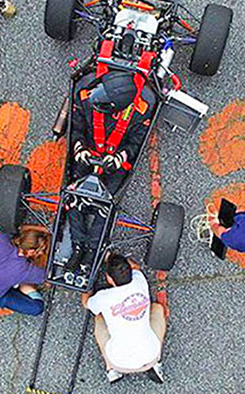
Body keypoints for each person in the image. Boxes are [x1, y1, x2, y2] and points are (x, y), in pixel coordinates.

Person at [63, 70, 155, 274]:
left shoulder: (142, 110)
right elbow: (76, 127)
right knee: (73, 195)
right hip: (87, 154)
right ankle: (78, 245)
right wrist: (79, 147)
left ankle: (92, 251)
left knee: (106, 204)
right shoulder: (86, 95)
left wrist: (120, 157)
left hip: (115, 162)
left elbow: (136, 143)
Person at [81, 252, 166, 384]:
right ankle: (157, 363)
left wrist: (86, 285)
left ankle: (111, 369)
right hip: (151, 356)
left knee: (98, 319)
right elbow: (136, 267)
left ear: (109, 279)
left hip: (119, 362)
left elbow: (86, 303)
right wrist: (118, 259)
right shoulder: (139, 279)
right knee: (158, 309)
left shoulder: (104, 297)